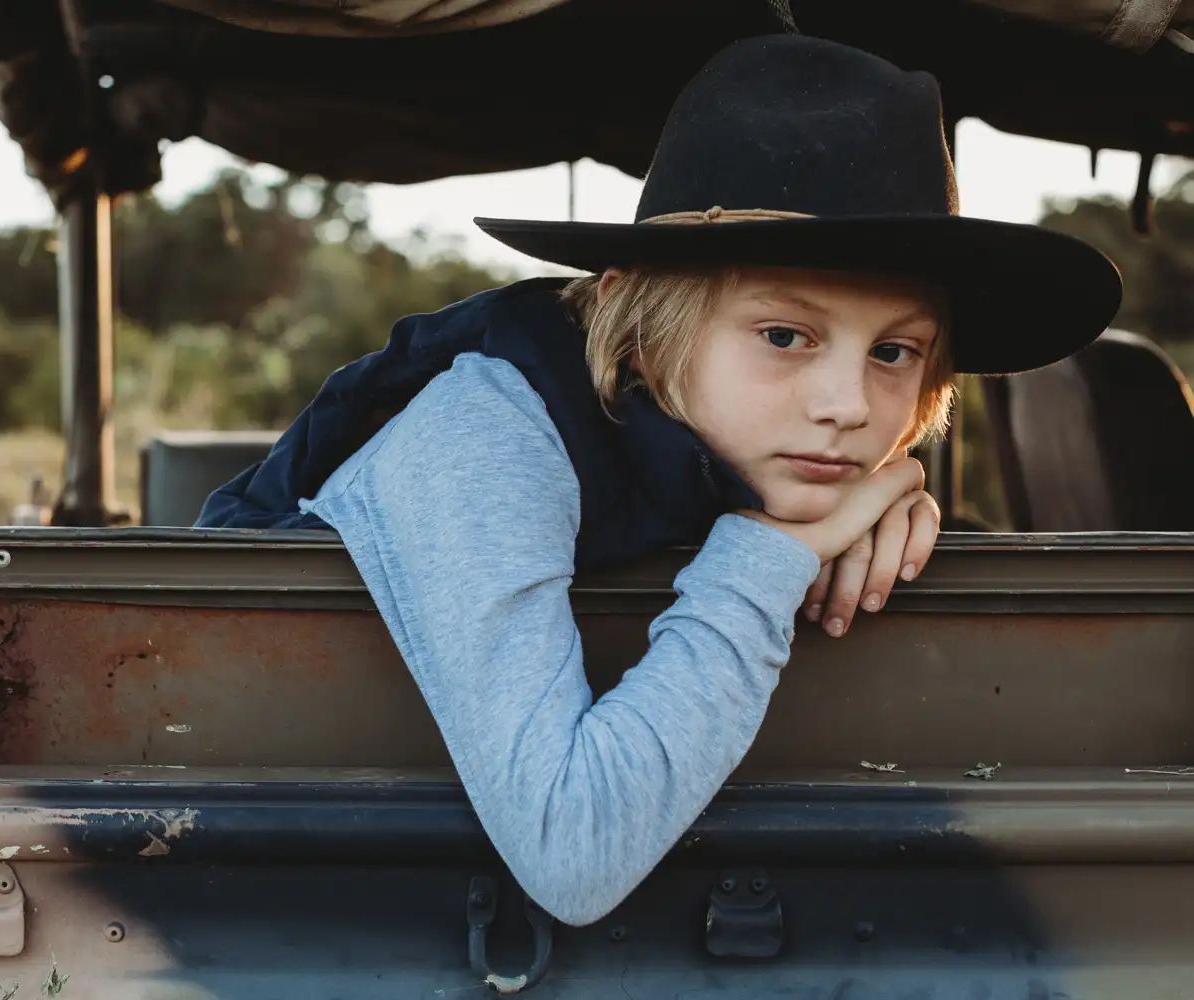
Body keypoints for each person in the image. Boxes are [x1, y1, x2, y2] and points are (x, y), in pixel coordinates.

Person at [197, 34, 1122, 925]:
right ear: (636, 323)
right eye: (784, 336)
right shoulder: (484, 435)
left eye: (894, 351)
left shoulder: (747, 449)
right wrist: (771, 553)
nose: (848, 406)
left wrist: (880, 501)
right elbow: (573, 851)